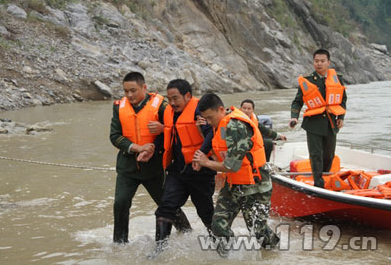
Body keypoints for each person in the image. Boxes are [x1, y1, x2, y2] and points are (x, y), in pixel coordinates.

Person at [193, 93, 279, 258]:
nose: (208, 122)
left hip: (255, 186)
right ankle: (228, 259)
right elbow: (219, 148)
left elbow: (232, 166)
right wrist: (204, 158)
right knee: (218, 226)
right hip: (233, 184)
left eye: (210, 118)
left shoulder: (236, 126)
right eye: (206, 119)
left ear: (220, 109)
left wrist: (206, 163)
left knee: (258, 231)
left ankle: (275, 254)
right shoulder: (219, 124)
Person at [109, 72, 190, 244]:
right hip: (127, 168)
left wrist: (158, 139)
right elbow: (114, 136)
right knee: (120, 203)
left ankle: (186, 231)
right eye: (126, 91)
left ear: (144, 88)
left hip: (154, 168)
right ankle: (120, 243)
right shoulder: (118, 106)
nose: (130, 95)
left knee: (166, 204)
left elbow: (175, 129)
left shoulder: (161, 105)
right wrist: (136, 148)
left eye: (133, 90)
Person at [153, 79, 216, 253]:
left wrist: (201, 154)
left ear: (187, 96)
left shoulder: (200, 110)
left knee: (206, 213)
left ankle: (222, 246)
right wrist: (152, 150)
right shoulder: (167, 111)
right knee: (165, 208)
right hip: (178, 171)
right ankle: (159, 250)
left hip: (201, 171)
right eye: (169, 99)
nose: (172, 103)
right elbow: (167, 135)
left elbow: (212, 133)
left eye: (175, 98)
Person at [289, 49, 347, 188]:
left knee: (329, 155)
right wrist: (294, 117)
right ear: (313, 62)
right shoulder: (307, 81)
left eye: (322, 61)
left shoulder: (337, 78)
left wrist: (341, 117)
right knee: (316, 155)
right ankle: (318, 183)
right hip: (313, 124)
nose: (319, 64)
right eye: (316, 61)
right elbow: (297, 101)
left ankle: (324, 178)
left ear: (328, 62)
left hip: (331, 122)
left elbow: (342, 99)